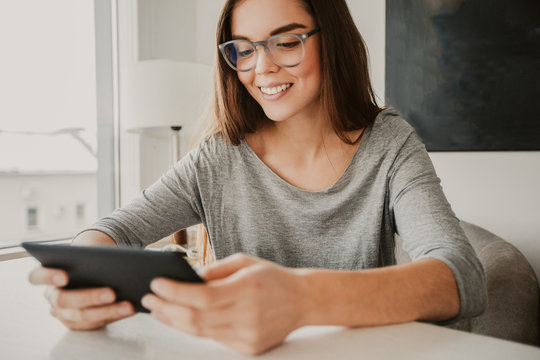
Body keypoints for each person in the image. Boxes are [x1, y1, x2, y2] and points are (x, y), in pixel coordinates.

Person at [28, 0, 487, 355]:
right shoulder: (217, 156)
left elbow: (461, 275)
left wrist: (302, 298)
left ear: (334, 41)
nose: (260, 68)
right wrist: (77, 278)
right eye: (242, 49)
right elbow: (115, 230)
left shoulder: (390, 143)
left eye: (286, 42)